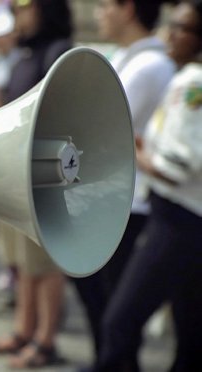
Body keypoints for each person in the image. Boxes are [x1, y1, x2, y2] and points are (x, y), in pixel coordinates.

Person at [92, 1, 202, 370]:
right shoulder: (185, 76)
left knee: (120, 320)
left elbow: (177, 167)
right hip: (180, 215)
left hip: (179, 218)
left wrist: (139, 155)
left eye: (183, 28)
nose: (171, 34)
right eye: (173, 24)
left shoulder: (193, 82)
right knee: (190, 332)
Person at [71, 0, 176, 364]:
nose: (98, 13)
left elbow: (96, 123)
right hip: (116, 198)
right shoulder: (129, 58)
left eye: (103, 5)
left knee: (114, 306)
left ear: (128, 9)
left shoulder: (148, 65)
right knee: (102, 298)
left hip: (128, 203)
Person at [0, 0, 74, 368]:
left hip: (41, 174)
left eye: (24, 8)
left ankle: (46, 339)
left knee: (44, 263)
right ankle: (24, 329)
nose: (17, 16)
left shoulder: (57, 52)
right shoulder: (27, 52)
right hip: (16, 170)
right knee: (21, 261)